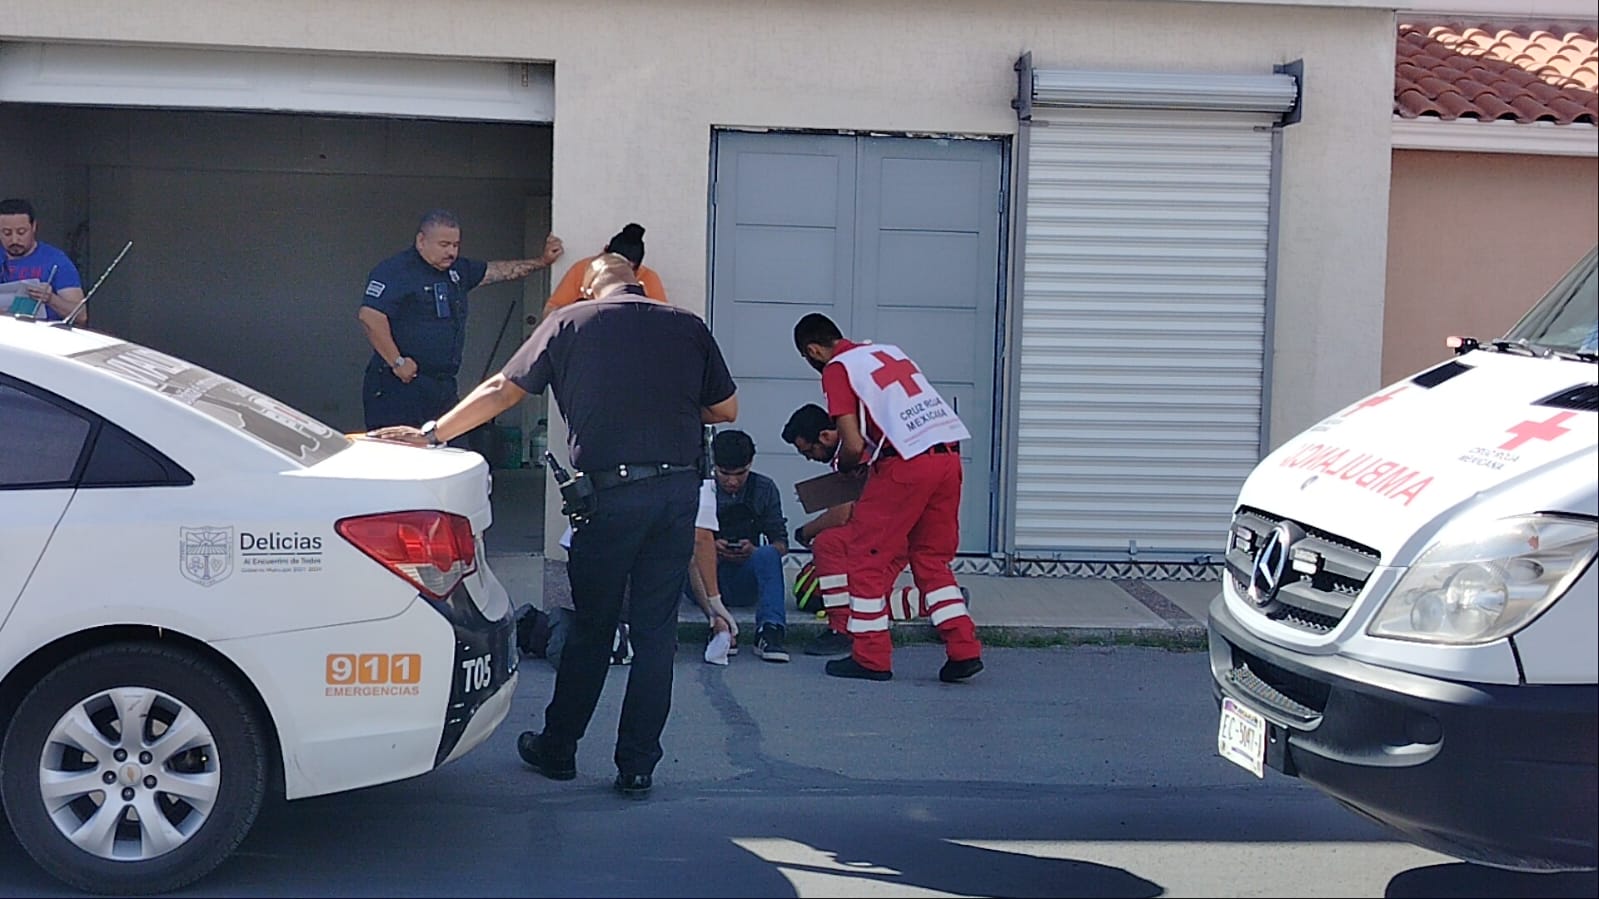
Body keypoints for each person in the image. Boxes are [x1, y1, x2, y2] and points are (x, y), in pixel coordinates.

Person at [372, 253, 737, 797]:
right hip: (675, 493)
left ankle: (560, 748)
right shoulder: (687, 324)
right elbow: (725, 409)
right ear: (636, 284)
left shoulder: (568, 323)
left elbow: (503, 389)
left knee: (593, 626)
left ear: (591, 287)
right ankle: (638, 766)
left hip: (611, 496)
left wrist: (432, 434)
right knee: (656, 632)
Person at [792, 313, 983, 683]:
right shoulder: (887, 352)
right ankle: (963, 649)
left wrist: (846, 468)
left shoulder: (837, 368)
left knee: (865, 558)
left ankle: (871, 657)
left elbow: (851, 441)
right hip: (946, 458)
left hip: (905, 466)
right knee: (930, 558)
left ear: (813, 349)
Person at [357, 209, 564, 431]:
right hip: (399, 384)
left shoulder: (457, 270)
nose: (451, 252)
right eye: (444, 245)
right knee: (399, 454)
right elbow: (370, 316)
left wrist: (543, 261)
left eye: (455, 245)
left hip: (442, 385)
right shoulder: (396, 271)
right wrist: (397, 362)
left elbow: (497, 271)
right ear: (421, 240)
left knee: (448, 449)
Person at [708, 429, 790, 663]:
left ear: (751, 464)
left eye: (740, 474)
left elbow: (781, 543)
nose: (732, 481)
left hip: (746, 578)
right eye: (724, 474)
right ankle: (716, 625)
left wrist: (754, 552)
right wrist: (710, 546)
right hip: (706, 577)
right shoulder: (700, 487)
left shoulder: (764, 489)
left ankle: (770, 631)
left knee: (768, 554)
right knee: (696, 550)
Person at [542, 223, 667, 317]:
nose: (622, 275)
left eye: (629, 269)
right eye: (615, 267)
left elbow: (663, 321)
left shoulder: (649, 278)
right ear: (604, 252)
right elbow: (550, 313)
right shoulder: (582, 269)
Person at [0, 198, 87, 325]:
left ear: (34, 227)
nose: (15, 240)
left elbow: (80, 316)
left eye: (21, 232)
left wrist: (51, 299)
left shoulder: (55, 260)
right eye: (6, 233)